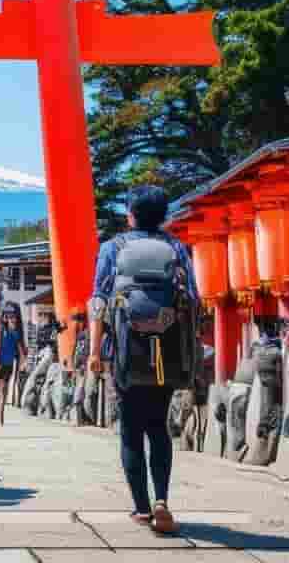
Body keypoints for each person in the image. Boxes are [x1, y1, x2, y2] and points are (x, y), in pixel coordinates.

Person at [88, 185, 199, 536]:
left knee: (131, 430)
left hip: (126, 351)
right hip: (167, 352)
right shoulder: (176, 247)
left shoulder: (113, 248)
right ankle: (163, 499)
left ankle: (141, 508)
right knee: (158, 426)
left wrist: (93, 351)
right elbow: (192, 300)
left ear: (130, 215)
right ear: (164, 216)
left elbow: (98, 303)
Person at [0, 303, 27, 427]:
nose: (10, 318)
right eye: (7, 315)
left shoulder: (14, 331)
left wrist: (22, 361)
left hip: (7, 365)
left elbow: (20, 348)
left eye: (12, 316)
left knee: (2, 390)